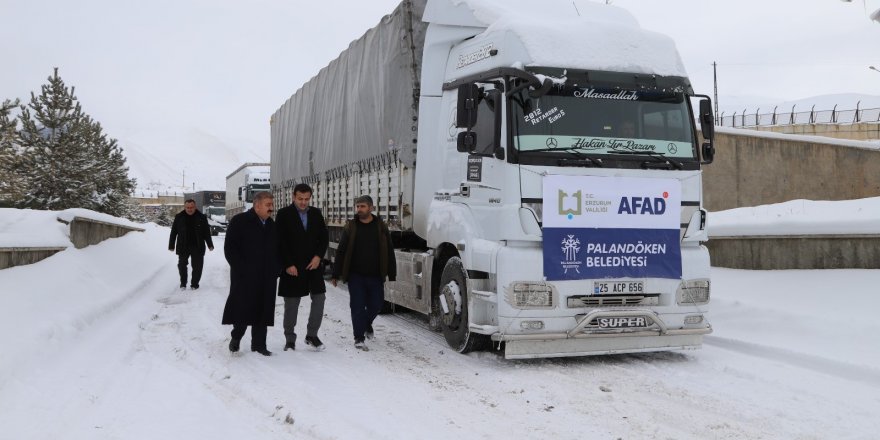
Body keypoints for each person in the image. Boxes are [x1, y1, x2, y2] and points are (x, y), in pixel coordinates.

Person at [331, 195, 396, 350]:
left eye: (363, 206)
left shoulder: (381, 226)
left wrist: (391, 273)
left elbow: (389, 250)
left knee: (377, 304)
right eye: (357, 206)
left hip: (375, 275)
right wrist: (335, 273)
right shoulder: (351, 226)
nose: (359, 209)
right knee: (357, 306)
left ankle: (366, 324)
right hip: (356, 276)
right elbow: (341, 250)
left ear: (371, 208)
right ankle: (358, 338)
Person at [221, 191, 280, 356]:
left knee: (263, 309)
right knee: (243, 309)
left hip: (266, 276)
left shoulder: (271, 225)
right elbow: (230, 249)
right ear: (257, 205)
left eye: (272, 205)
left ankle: (259, 345)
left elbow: (278, 250)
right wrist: (241, 269)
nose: (271, 208)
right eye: (268, 205)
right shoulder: (239, 221)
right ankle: (236, 337)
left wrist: (276, 269)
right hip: (244, 276)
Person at [276, 183, 329, 352]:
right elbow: (280, 242)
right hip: (293, 266)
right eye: (300, 199)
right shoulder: (283, 214)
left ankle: (312, 335)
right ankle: (290, 339)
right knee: (291, 303)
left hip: (313, 266)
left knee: (319, 298)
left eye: (306, 199)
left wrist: (318, 256)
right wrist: (288, 264)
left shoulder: (316, 214)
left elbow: (324, 238)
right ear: (293, 197)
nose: (303, 202)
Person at [168, 199, 214, 290]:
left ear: (195, 207)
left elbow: (206, 233)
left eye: (191, 207)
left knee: (197, 267)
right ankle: (183, 283)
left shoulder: (202, 217)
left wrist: (210, 245)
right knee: (181, 265)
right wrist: (171, 245)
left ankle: (194, 284)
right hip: (183, 245)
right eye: (187, 207)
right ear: (185, 207)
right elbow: (173, 232)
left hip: (198, 246)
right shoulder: (179, 217)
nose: (189, 209)